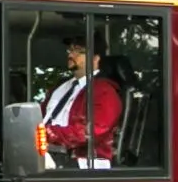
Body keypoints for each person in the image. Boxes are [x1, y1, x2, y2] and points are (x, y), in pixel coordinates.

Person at [41, 33, 122, 169]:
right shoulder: (61, 87)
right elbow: (39, 117)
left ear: (95, 59)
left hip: (85, 162)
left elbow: (91, 132)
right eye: (70, 50)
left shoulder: (104, 91)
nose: (71, 55)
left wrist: (47, 133)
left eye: (78, 51)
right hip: (50, 153)